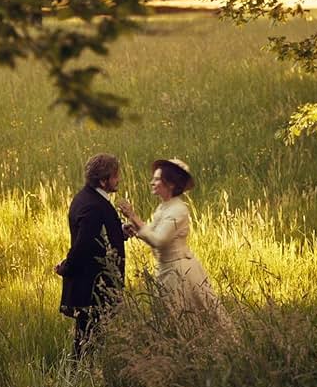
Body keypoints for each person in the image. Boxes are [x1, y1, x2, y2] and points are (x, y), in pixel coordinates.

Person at [117, 159, 223, 318]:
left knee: (185, 317)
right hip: (167, 269)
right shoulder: (164, 206)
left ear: (171, 184)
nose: (152, 182)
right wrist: (134, 227)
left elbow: (159, 241)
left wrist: (133, 216)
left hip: (180, 272)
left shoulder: (178, 210)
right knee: (170, 317)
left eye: (157, 179)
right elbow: (152, 231)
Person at [57, 153, 130, 360]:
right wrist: (65, 268)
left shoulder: (87, 198)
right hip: (93, 287)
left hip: (93, 285)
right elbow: (83, 246)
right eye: (115, 176)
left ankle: (82, 379)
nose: (119, 180)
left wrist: (120, 232)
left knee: (88, 339)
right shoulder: (94, 206)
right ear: (103, 181)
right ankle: (80, 381)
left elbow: (98, 237)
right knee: (87, 341)